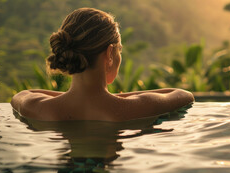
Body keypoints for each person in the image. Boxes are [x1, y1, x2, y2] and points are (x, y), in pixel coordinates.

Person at [11, 8, 194, 121]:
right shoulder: (136, 107)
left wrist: (73, 96)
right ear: (109, 54)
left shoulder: (39, 108)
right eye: (119, 50)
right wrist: (125, 97)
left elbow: (23, 94)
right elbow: (183, 95)